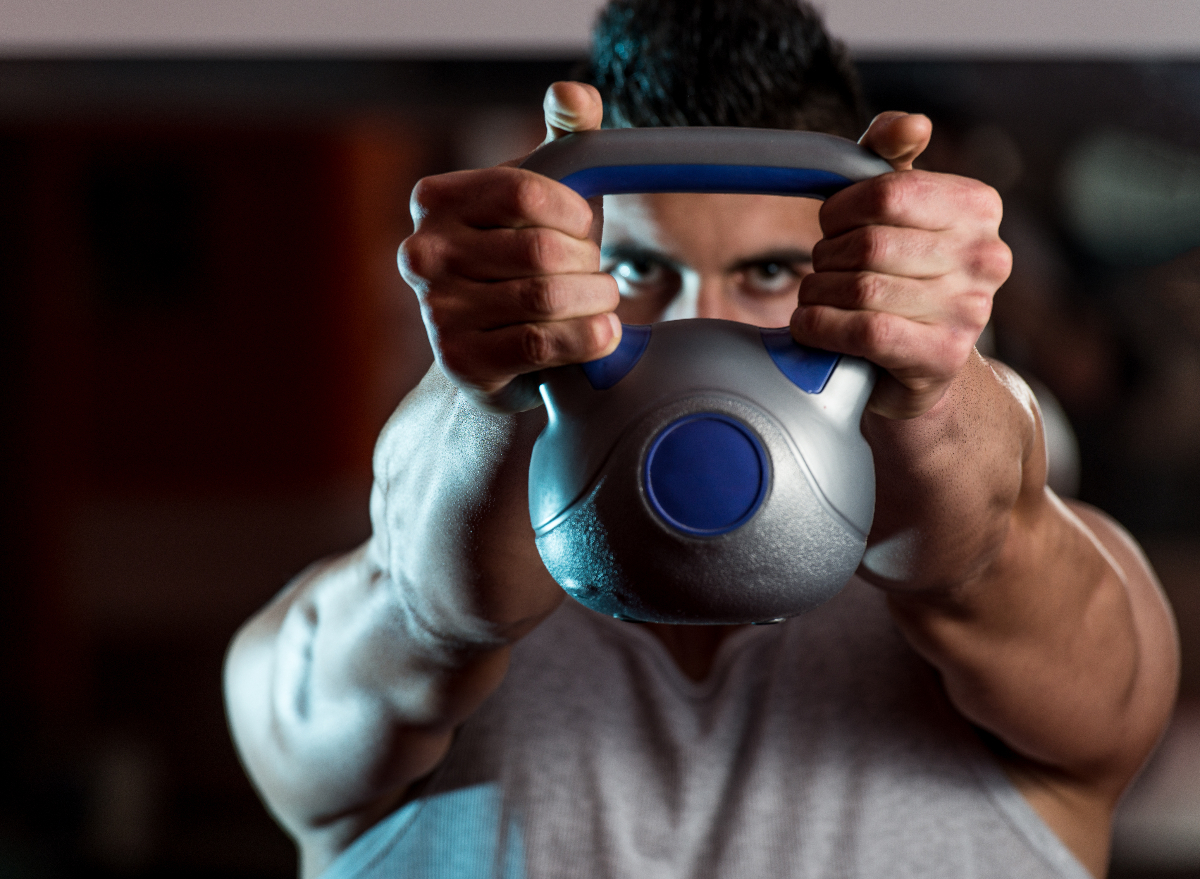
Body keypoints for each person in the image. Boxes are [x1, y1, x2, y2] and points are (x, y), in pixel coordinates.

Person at [223, 1, 1179, 877]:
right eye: (638, 269)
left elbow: (992, 548)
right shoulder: (388, 631)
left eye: (770, 272)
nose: (698, 327)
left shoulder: (1033, 606)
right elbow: (399, 616)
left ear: (863, 279)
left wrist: (930, 384)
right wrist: (481, 397)